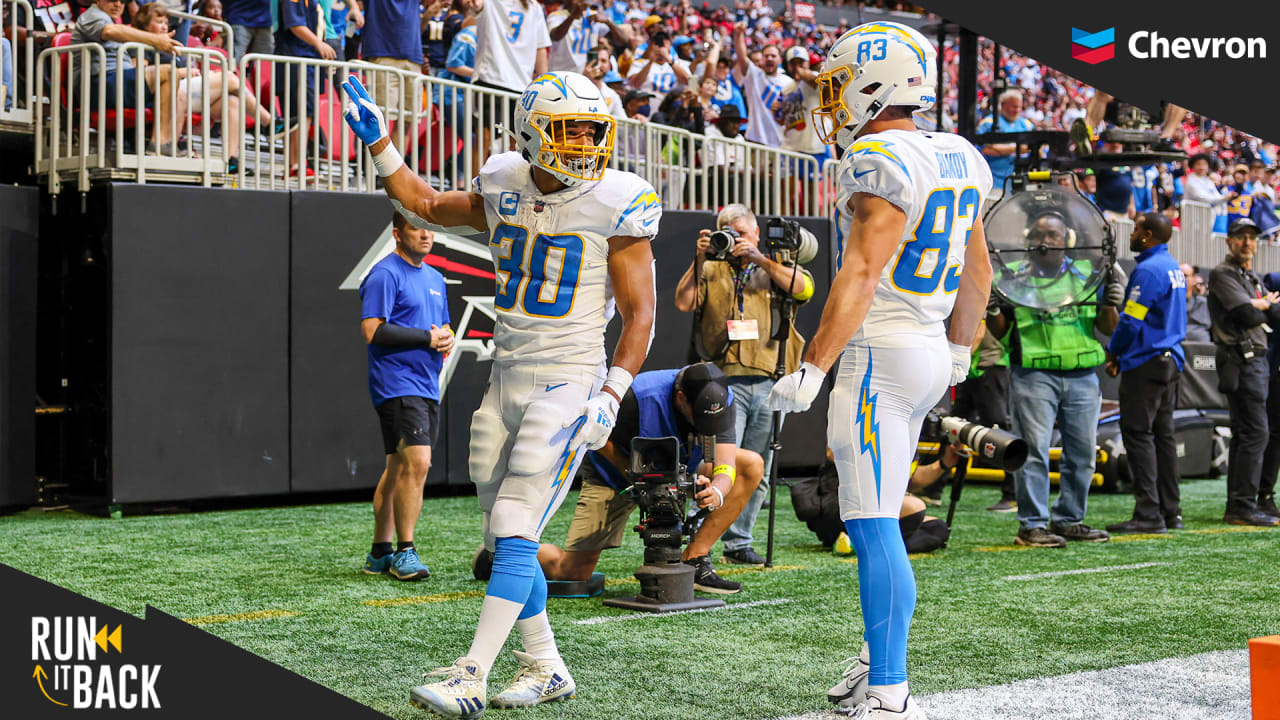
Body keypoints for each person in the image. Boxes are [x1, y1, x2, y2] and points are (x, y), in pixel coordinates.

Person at [342, 69, 658, 717]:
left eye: (594, 132)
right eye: (570, 131)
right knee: (501, 535)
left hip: (570, 380)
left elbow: (641, 314)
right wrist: (381, 147)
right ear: (532, 132)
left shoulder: (618, 199)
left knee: (515, 523)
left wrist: (611, 392)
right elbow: (424, 205)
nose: (584, 145)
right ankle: (544, 665)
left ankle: (472, 672)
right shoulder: (503, 180)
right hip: (505, 379)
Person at [765, 22, 991, 720]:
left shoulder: (877, 155)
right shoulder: (958, 153)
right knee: (879, 521)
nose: (831, 105)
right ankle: (876, 656)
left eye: (837, 89)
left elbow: (861, 271)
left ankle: (890, 689)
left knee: (870, 524)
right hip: (926, 347)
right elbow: (979, 270)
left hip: (879, 354)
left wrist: (813, 365)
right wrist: (959, 350)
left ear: (873, 84)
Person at [536, 363, 765, 594]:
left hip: (682, 467)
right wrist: (637, 475)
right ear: (681, 398)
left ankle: (695, 558)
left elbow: (725, 464)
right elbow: (599, 438)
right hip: (616, 473)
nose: (705, 429)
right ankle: (511, 551)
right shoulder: (635, 396)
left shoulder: (722, 402)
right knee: (571, 573)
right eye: (700, 421)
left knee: (751, 465)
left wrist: (716, 491)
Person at [673, 203, 814, 567]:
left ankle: (739, 543)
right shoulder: (711, 269)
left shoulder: (775, 268)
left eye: (742, 234)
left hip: (770, 381)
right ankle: (698, 540)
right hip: (720, 387)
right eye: (729, 233)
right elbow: (683, 301)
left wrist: (760, 259)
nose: (736, 241)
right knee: (716, 468)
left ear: (756, 235)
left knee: (759, 471)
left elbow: (804, 290)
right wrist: (699, 258)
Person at [987, 211, 1120, 548]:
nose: (1046, 241)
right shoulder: (1012, 278)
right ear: (1029, 241)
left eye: (1054, 235)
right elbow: (1002, 332)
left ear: (1068, 241)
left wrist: (1111, 302)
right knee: (1033, 451)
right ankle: (1031, 526)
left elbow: (1107, 329)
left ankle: (1069, 519)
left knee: (1083, 453)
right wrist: (991, 309)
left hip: (1083, 376)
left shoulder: (1088, 276)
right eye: (1039, 235)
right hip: (1033, 373)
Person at [358, 213, 454, 581]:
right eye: (418, 228)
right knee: (419, 462)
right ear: (399, 234)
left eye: (431, 227)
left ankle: (380, 552)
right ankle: (405, 551)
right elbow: (372, 330)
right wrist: (426, 339)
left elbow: (441, 327)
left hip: (427, 382)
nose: (427, 234)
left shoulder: (434, 278)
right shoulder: (385, 273)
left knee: (398, 466)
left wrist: (445, 337)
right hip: (396, 384)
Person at [1104, 213, 1186, 534]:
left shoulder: (1149, 270)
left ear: (1148, 234)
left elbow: (1130, 320)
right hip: (1170, 362)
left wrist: (1114, 350)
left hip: (1147, 362)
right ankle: (1170, 512)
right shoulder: (1172, 266)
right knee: (1163, 437)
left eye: (1137, 228)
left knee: (1138, 435)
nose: (1133, 233)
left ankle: (1148, 515)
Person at [1207, 218, 1280, 527]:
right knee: (1255, 433)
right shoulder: (1223, 273)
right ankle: (1242, 506)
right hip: (1241, 358)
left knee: (1248, 433)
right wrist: (1262, 304)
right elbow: (1246, 313)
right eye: (1241, 238)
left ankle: (1240, 504)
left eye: (1251, 238)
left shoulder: (1248, 275)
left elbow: (1273, 313)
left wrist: (1261, 304)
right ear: (1229, 241)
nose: (1247, 243)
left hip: (1255, 360)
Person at [71, 0, 187, 152]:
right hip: (97, 84)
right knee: (169, 72)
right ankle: (158, 143)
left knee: (179, 94)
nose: (118, 4)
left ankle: (168, 145)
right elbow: (109, 31)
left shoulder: (110, 19)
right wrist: (156, 40)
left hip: (117, 80)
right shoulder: (92, 15)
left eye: (123, 1)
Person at [274, 0, 334, 179]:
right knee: (299, 114)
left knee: (302, 114)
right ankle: (297, 164)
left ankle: (295, 164)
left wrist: (324, 54)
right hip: (297, 60)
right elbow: (295, 24)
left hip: (309, 61)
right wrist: (319, 45)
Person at [361, 0, 422, 123]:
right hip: (382, 55)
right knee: (380, 119)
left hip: (413, 56)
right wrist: (353, 7)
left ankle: (395, 144)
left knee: (409, 120)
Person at [731, 23, 790, 147]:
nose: (769, 58)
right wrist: (738, 35)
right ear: (762, 59)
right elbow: (742, 56)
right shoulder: (754, 75)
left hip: (781, 143)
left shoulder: (788, 83)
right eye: (766, 56)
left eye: (773, 56)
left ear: (780, 60)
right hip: (755, 141)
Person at [976, 89, 1033, 195]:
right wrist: (1017, 149)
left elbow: (1032, 149)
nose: (1017, 110)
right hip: (993, 183)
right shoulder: (989, 123)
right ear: (1003, 105)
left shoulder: (1026, 124)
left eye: (1019, 107)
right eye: (1013, 106)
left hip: (1019, 183)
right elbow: (985, 150)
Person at [1181, 262, 1211, 343]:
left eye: (1185, 276)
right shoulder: (1167, 304)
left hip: (1201, 351)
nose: (1180, 279)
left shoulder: (1203, 304)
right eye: (1178, 276)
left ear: (1194, 279)